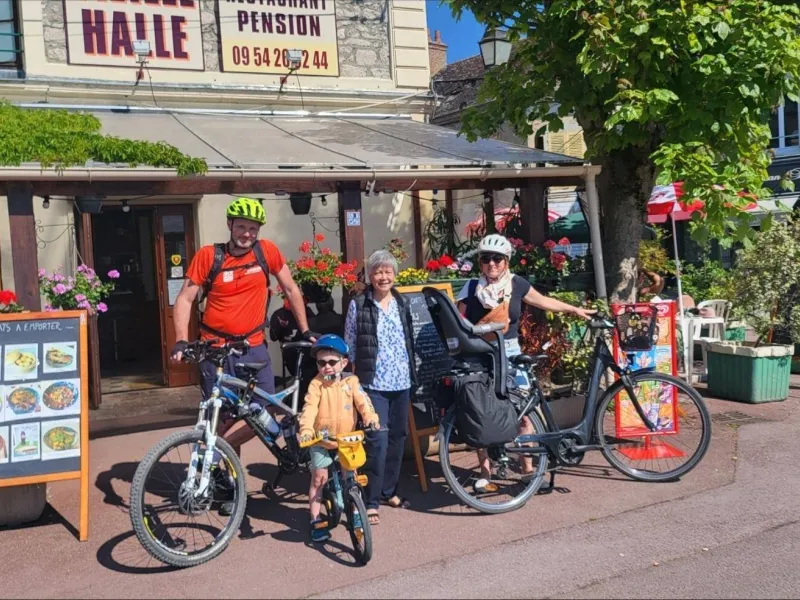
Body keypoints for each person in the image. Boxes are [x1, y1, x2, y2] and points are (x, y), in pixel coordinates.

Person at [171, 197, 317, 513]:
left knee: (264, 410)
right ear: (230, 225)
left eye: (252, 228)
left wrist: (305, 330)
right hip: (216, 351)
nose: (246, 233)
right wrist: (181, 341)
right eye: (241, 227)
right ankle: (230, 487)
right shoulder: (209, 256)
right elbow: (184, 299)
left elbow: (291, 289)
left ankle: (216, 456)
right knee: (223, 417)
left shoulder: (266, 252)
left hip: (253, 348)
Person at [457, 234, 595, 492]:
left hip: (510, 350)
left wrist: (573, 309)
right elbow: (459, 320)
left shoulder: (517, 284)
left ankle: (527, 471)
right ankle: (485, 472)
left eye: (497, 258)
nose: (491, 263)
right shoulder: (471, 287)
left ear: (507, 261)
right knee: (481, 412)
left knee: (524, 412)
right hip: (480, 352)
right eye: (486, 259)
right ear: (480, 262)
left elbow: (544, 301)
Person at [344, 249, 417, 526]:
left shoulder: (402, 302)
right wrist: (350, 378)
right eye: (378, 272)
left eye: (388, 272)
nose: (383, 277)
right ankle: (370, 499)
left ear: (394, 275)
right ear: (370, 276)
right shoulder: (359, 305)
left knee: (398, 437)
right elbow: (350, 341)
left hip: (402, 381)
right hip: (373, 382)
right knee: (377, 440)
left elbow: (409, 339)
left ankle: (388, 491)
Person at [298, 335, 379, 543]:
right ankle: (315, 519)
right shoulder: (316, 385)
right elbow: (309, 408)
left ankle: (356, 512)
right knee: (319, 479)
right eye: (321, 363)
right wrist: (306, 429)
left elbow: (363, 402)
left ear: (344, 362)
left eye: (332, 362)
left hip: (346, 439)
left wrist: (370, 418)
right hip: (320, 439)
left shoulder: (351, 382)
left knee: (351, 477)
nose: (326, 367)